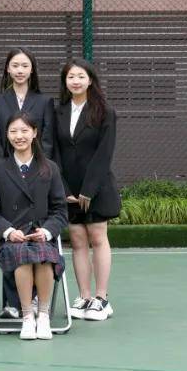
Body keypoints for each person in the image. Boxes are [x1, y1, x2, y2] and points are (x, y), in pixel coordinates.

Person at [0, 112, 69, 340]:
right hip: (9, 240)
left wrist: (47, 231)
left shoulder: (49, 168)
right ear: (7, 135)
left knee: (44, 255)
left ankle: (44, 316)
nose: (19, 136)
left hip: (41, 236)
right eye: (13, 131)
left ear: (34, 133)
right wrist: (9, 231)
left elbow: (60, 210)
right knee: (23, 255)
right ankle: (27, 316)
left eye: (24, 130)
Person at [0, 47, 56, 319]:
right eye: (15, 65)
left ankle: (37, 302)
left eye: (25, 65)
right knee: (10, 233)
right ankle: (11, 302)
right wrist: (3, 170)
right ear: (8, 68)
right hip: (7, 177)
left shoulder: (44, 101)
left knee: (33, 237)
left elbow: (48, 140)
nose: (19, 70)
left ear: (32, 70)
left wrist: (39, 169)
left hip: (35, 174)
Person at [54, 58, 120, 322]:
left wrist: (88, 190)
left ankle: (101, 299)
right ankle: (84, 297)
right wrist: (63, 188)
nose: (76, 81)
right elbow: (54, 151)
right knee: (77, 240)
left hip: (96, 187)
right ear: (65, 81)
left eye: (81, 76)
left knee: (97, 237)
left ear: (90, 80)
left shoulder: (105, 111)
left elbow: (105, 154)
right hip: (68, 189)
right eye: (71, 77)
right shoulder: (57, 111)